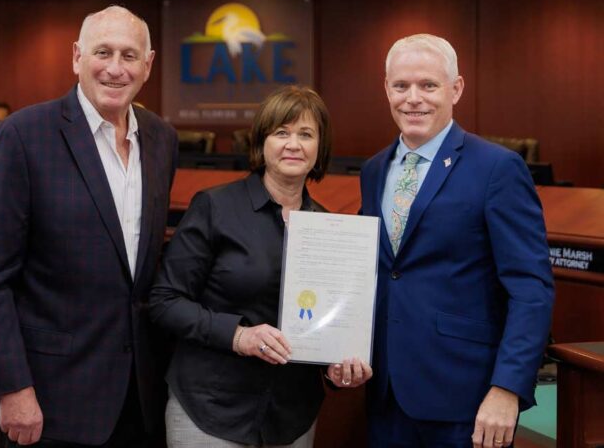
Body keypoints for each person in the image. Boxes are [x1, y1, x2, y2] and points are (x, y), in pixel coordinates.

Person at [0, 5, 178, 447]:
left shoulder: (161, 139)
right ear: (77, 57)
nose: (115, 68)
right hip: (49, 400)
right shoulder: (24, 135)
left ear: (148, 64)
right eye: (103, 52)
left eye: (129, 55)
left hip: (139, 400)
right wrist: (12, 388)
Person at [149, 85, 373, 448]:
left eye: (306, 134)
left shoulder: (330, 230)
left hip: (290, 418)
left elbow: (325, 324)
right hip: (211, 410)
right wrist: (239, 336)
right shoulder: (215, 207)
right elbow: (165, 302)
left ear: (320, 148)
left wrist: (336, 366)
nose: (293, 144)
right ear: (261, 142)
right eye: (281, 132)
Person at [359, 33, 554, 448]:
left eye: (428, 85)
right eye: (401, 85)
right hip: (385, 394)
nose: (413, 98)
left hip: (467, 399)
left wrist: (508, 388)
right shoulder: (373, 170)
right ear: (386, 89)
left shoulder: (498, 168)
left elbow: (530, 288)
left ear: (456, 89)